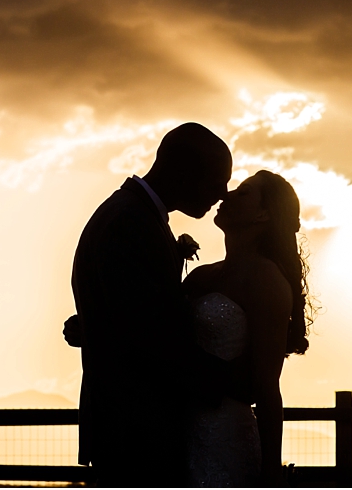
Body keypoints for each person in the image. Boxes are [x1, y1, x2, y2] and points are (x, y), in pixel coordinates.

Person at [67, 123, 235, 487]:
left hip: (131, 426)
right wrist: (232, 381)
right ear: (184, 171)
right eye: (218, 180)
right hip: (136, 428)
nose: (223, 194)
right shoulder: (129, 222)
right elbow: (149, 337)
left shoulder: (134, 215)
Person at [181, 170, 314, 487]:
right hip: (180, 429)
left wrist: (270, 471)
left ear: (264, 214)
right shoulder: (201, 277)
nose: (226, 196)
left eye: (243, 193)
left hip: (225, 433)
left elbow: (267, 388)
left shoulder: (266, 281)